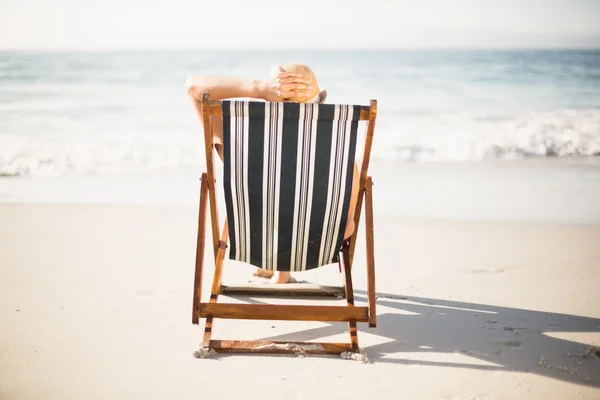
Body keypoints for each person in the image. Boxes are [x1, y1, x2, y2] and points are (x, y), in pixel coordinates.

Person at [186, 64, 358, 283]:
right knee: (293, 195)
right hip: (312, 250)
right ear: (319, 106)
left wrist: (258, 88)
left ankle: (276, 266)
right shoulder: (340, 162)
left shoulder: (242, 147)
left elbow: (192, 87)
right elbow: (346, 229)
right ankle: (282, 270)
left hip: (257, 239)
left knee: (268, 190)